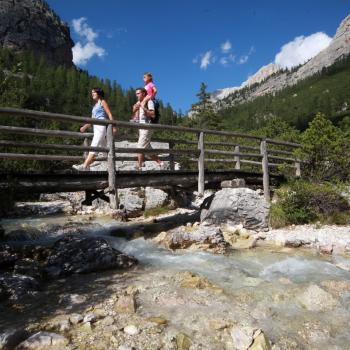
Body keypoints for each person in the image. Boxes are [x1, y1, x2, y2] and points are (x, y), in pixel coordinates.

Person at [72, 87, 116, 171]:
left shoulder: (102, 102)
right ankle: (111, 167)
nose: (92, 94)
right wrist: (84, 127)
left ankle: (84, 166)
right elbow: (91, 120)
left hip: (101, 126)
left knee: (94, 145)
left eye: (94, 92)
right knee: (104, 148)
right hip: (96, 127)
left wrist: (113, 126)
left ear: (99, 93)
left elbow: (109, 114)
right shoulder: (95, 106)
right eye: (92, 92)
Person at [133, 87, 163, 170]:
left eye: (138, 93)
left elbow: (153, 114)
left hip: (147, 127)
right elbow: (135, 112)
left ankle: (139, 167)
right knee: (147, 149)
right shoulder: (139, 102)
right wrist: (135, 108)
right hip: (141, 128)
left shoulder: (149, 102)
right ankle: (161, 163)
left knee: (140, 146)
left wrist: (143, 107)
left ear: (143, 93)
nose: (137, 95)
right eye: (136, 94)